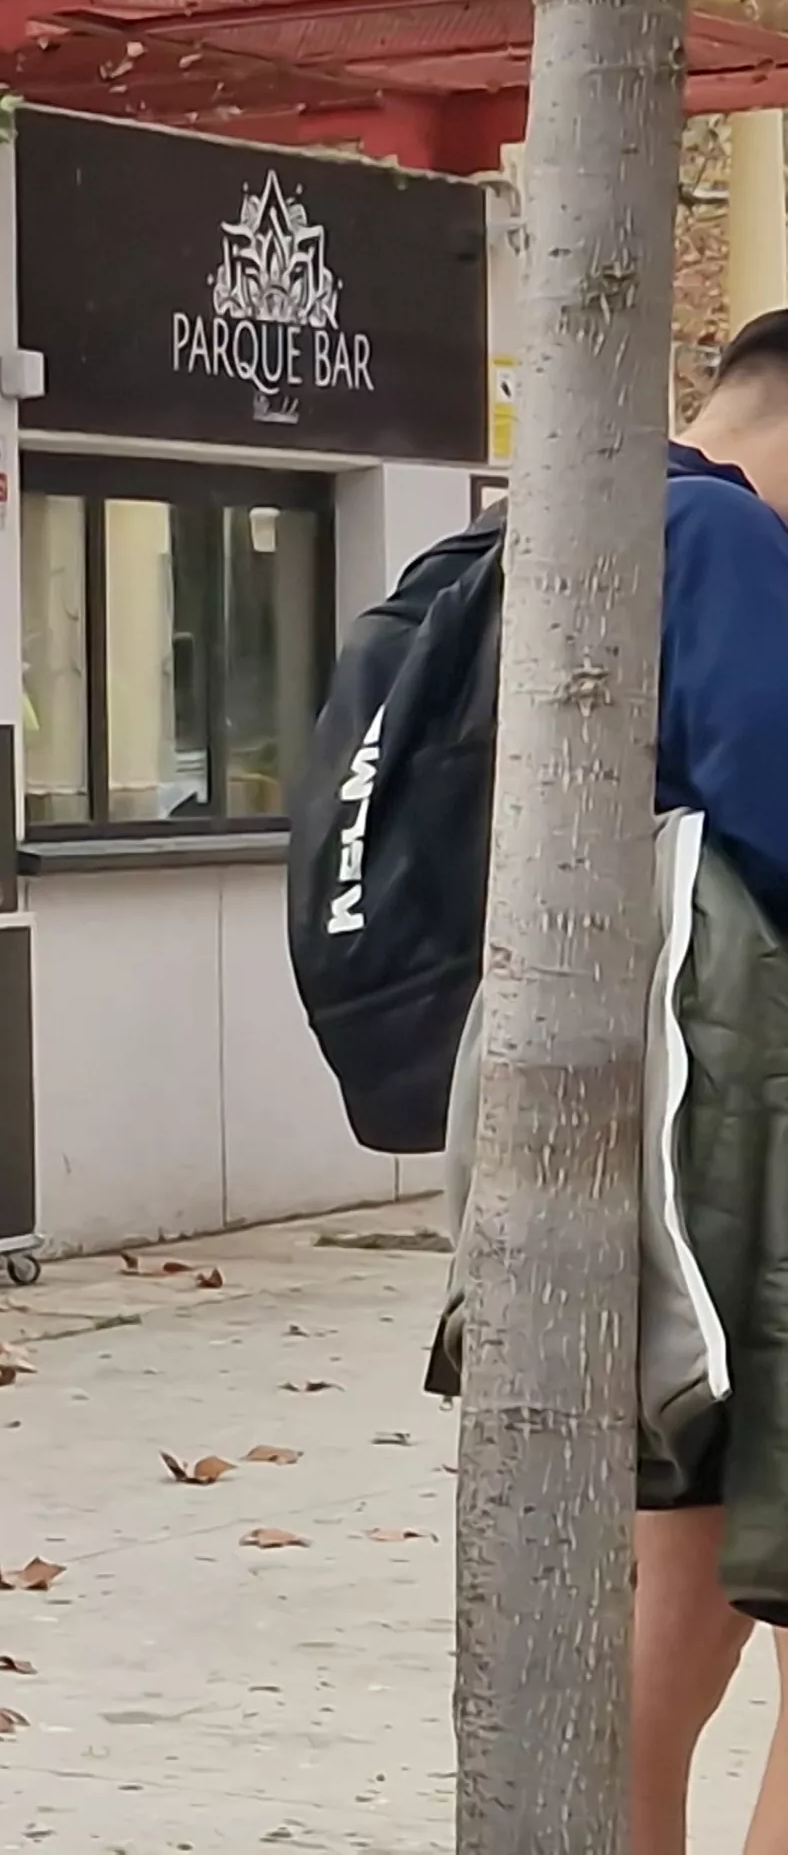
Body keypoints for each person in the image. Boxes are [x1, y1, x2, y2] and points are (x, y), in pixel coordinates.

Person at [623, 304, 788, 1855]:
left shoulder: (555, 535)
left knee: (665, 1591)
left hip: (633, 1155)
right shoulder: (727, 546)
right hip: (743, 1131)